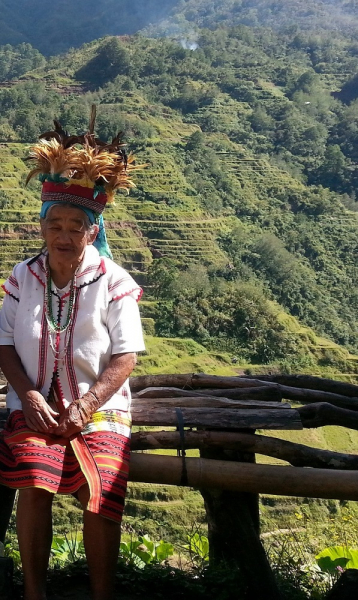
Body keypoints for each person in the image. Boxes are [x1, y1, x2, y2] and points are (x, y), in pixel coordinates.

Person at [0, 107, 145, 600]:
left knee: (101, 488)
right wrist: (30, 398)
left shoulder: (114, 281)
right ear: (42, 226)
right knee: (34, 478)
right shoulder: (23, 277)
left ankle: (102, 593)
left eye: (74, 226)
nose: (63, 236)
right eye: (54, 224)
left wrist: (86, 405)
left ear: (92, 230)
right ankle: (34, 592)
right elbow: (3, 345)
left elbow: (125, 356)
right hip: (33, 403)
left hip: (98, 408)